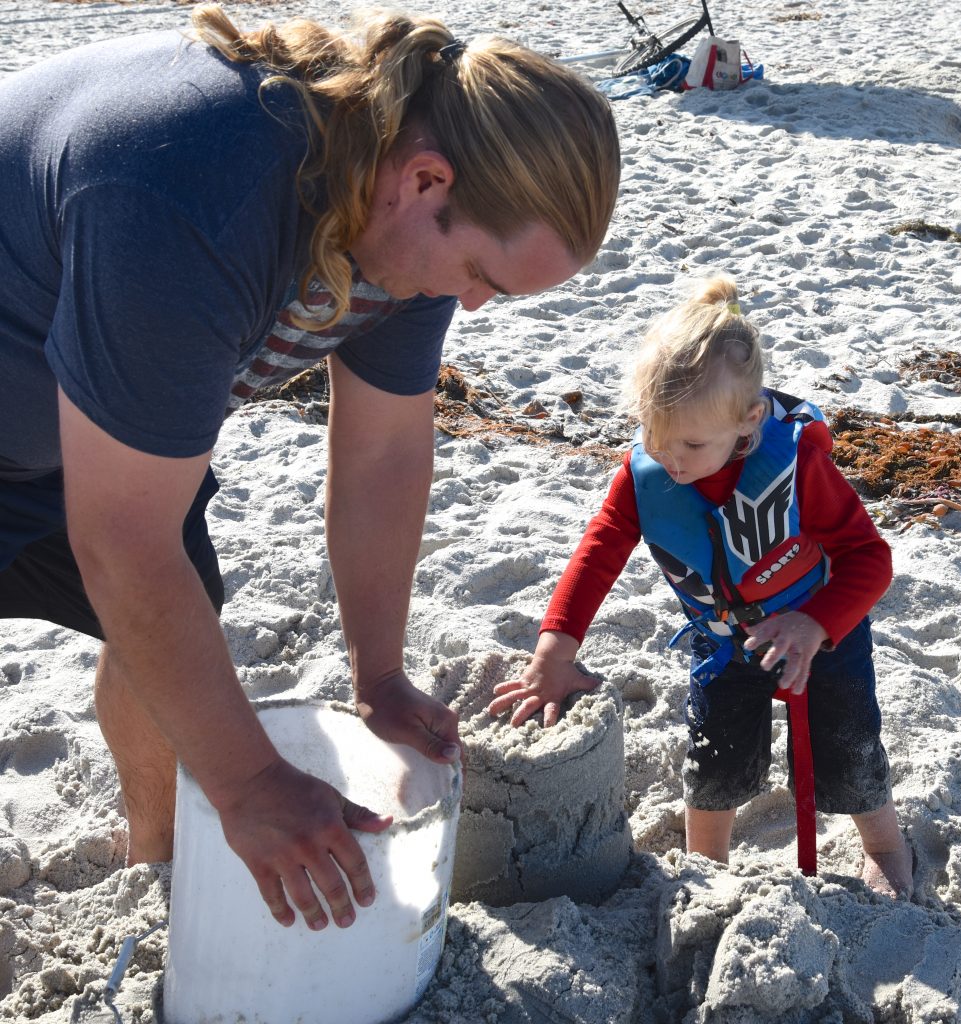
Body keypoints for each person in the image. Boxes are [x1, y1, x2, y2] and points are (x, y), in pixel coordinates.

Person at [0, 4, 620, 930]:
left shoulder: (403, 224)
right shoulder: (196, 189)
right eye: (484, 276)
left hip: (80, 422)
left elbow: (383, 451)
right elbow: (123, 541)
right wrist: (250, 783)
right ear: (426, 179)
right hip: (55, 401)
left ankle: (157, 866)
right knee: (152, 596)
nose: (476, 307)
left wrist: (380, 673)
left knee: (171, 637)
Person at [489, 276, 914, 898]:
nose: (673, 460)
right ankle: (706, 864)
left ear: (749, 423)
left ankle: (884, 845)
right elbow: (599, 551)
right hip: (724, 638)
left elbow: (871, 559)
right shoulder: (650, 473)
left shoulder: (799, 468)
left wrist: (816, 623)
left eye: (690, 443)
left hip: (820, 632)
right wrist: (555, 650)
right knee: (714, 759)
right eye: (655, 439)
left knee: (848, 748)